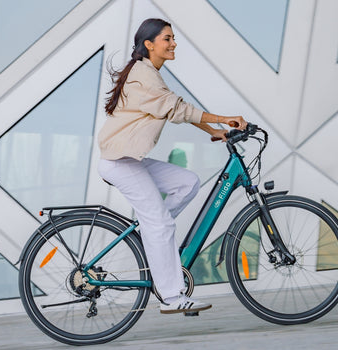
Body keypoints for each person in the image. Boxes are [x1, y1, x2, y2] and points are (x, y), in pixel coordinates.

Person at [97, 18, 247, 314]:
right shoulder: (143, 75)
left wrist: (214, 131)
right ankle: (172, 297)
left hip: (129, 160)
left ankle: (154, 236)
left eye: (173, 38)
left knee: (187, 183)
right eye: (167, 38)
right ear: (149, 44)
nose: (173, 43)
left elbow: (174, 106)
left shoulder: (148, 73)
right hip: (119, 163)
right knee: (161, 224)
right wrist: (224, 119)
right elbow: (176, 108)